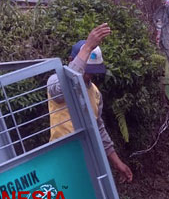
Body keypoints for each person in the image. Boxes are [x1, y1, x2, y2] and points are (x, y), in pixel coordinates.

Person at [46, 23, 134, 183]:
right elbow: (61, 90)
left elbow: (98, 128)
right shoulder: (56, 81)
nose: (89, 77)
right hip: (61, 158)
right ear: (72, 60)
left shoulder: (95, 93)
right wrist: (86, 49)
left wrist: (117, 162)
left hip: (86, 160)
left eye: (93, 72)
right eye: (87, 71)